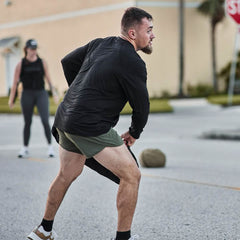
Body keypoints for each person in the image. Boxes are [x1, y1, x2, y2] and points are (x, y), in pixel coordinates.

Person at [27, 7, 155, 240]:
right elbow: (142, 107)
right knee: (131, 175)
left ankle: (43, 230)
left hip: (66, 119)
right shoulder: (134, 62)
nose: (153, 35)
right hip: (89, 126)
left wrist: (81, 95)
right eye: (149, 30)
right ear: (133, 33)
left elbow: (68, 62)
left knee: (67, 173)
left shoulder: (100, 44)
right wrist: (134, 132)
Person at [8, 39, 59, 158]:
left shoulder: (42, 62)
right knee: (27, 122)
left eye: (35, 49)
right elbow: (15, 83)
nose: (33, 51)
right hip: (27, 94)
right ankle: (25, 147)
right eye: (31, 49)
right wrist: (12, 99)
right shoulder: (21, 64)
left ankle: (50, 147)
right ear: (26, 49)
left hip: (41, 93)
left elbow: (49, 79)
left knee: (45, 121)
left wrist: (54, 93)